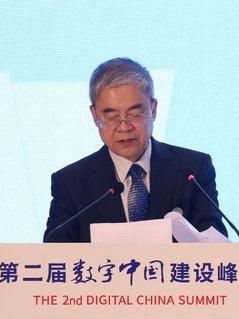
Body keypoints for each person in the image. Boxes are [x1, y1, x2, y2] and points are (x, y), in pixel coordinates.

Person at [43, 57, 227, 242]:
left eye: (135, 114)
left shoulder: (193, 170)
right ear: (95, 116)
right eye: (112, 116)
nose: (124, 127)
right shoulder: (71, 182)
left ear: (153, 109)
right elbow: (53, 253)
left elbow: (216, 246)